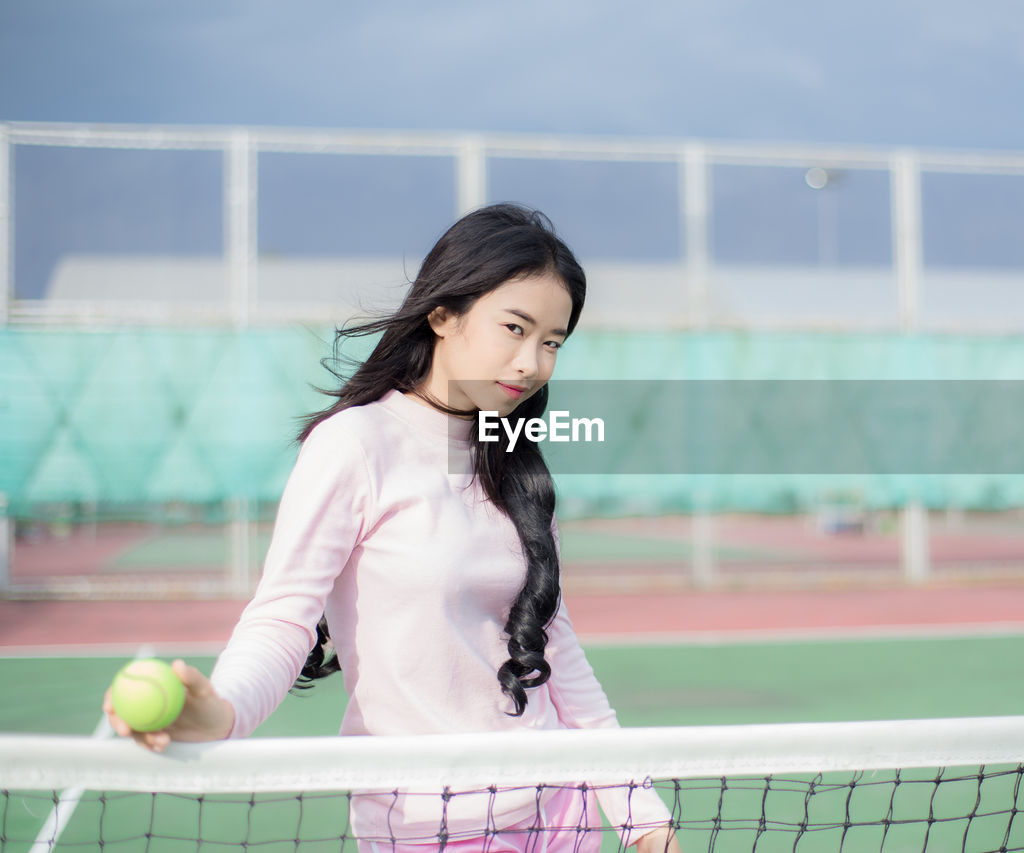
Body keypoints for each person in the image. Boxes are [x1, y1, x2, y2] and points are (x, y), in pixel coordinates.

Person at [103, 204, 681, 852]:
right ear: (442, 314)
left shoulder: (512, 455)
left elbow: (555, 645)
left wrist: (642, 814)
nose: (532, 362)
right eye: (514, 328)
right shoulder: (352, 445)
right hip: (425, 824)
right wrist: (224, 712)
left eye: (552, 341)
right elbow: (282, 616)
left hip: (558, 811)